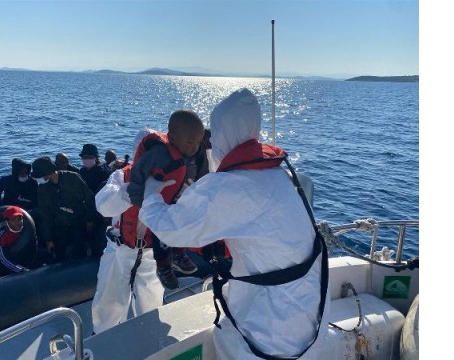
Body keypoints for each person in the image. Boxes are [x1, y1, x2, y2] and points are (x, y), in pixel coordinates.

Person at [139, 88, 328, 359]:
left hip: (272, 333)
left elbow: (172, 229)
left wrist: (151, 193)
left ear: (223, 133)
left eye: (214, 134)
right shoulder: (278, 175)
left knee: (227, 339)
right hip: (311, 315)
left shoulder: (231, 187)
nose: (211, 142)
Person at [91, 129, 164, 334]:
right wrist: (133, 190)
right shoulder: (121, 176)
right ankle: (105, 342)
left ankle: (150, 342)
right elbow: (103, 205)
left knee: (151, 306)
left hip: (151, 254)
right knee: (108, 304)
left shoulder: (169, 179)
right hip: (118, 249)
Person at [126, 109, 209, 289]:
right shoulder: (159, 153)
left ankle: (179, 255)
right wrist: (137, 198)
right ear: (172, 137)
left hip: (179, 198)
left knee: (180, 227)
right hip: (160, 200)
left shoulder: (194, 153)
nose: (194, 147)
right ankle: (163, 267)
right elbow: (138, 171)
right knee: (162, 233)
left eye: (197, 142)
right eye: (190, 142)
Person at [31, 156, 106, 261]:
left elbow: (89, 198)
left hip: (78, 221)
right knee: (59, 253)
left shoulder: (73, 178)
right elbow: (45, 214)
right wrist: (48, 239)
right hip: (59, 225)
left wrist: (90, 219)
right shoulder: (42, 188)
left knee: (79, 249)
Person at [0, 206, 30, 277]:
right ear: (7, 221)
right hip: (9, 267)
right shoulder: (1, 237)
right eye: (13, 219)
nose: (18, 222)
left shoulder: (28, 229)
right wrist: (21, 270)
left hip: (27, 259)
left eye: (19, 218)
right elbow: (2, 258)